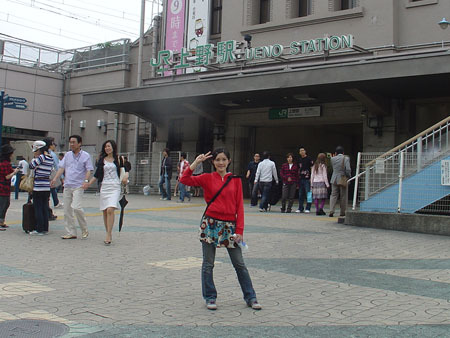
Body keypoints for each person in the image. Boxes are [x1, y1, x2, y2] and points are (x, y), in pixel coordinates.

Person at [180, 148, 262, 311]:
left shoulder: (236, 180)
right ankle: (210, 297)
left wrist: (240, 231)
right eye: (217, 160)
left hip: (230, 226)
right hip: (210, 225)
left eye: (224, 159)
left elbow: (240, 206)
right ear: (213, 162)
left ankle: (251, 297)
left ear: (229, 161)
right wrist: (196, 163)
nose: (221, 162)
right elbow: (184, 180)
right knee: (208, 264)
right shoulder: (207, 178)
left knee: (239, 264)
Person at [51, 135, 93, 239]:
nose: (72, 144)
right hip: (68, 185)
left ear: (79, 143)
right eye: (70, 142)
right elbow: (61, 168)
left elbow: (89, 170)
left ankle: (84, 228)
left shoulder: (86, 155)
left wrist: (86, 181)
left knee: (76, 207)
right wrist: (55, 178)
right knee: (67, 210)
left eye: (74, 142)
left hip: (79, 185)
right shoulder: (68, 155)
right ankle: (71, 232)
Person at [87, 140, 129, 245]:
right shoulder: (102, 160)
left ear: (113, 147)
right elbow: (97, 175)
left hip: (115, 186)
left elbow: (126, 170)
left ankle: (108, 234)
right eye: (105, 146)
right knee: (105, 211)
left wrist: (126, 176)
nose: (107, 148)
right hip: (104, 186)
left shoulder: (119, 159)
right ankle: (108, 232)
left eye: (109, 146)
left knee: (110, 209)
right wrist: (87, 184)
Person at [28, 140, 54, 235]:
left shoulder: (41, 157)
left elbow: (31, 166)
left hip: (38, 187)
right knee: (44, 207)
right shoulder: (50, 158)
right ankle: (45, 228)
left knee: (38, 208)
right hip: (46, 187)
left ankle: (39, 228)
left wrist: (35, 158)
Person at [0, 144, 20, 230]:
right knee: (4, 204)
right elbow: (7, 176)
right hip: (3, 187)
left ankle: (2, 221)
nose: (12, 155)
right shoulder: (5, 164)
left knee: (5, 204)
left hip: (4, 187)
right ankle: (1, 221)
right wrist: (15, 172)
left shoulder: (4, 163)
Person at [329, 146, 351, 217]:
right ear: (343, 152)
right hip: (342, 178)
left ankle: (331, 210)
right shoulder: (346, 158)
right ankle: (342, 212)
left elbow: (333, 168)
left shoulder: (332, 159)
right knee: (343, 195)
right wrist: (348, 176)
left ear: (335, 153)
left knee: (333, 195)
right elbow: (348, 169)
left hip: (334, 178)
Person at [296, 146, 314, 214]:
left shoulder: (309, 159)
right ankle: (300, 208)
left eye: (303, 150)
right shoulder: (299, 160)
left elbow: (312, 168)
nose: (302, 152)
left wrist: (311, 178)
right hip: (301, 179)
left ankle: (308, 208)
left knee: (308, 194)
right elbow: (298, 169)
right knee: (300, 194)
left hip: (307, 179)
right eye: (300, 151)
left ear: (305, 151)